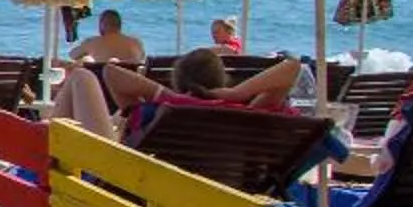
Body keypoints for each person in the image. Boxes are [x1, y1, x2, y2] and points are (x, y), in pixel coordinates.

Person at [51, 47, 309, 142]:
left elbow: (110, 72)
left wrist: (167, 94)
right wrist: (236, 93)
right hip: (218, 196)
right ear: (222, 80)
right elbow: (293, 67)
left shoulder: (166, 109)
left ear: (178, 81)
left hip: (120, 182)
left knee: (81, 77)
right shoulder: (251, 114)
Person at [68, 8, 147, 69]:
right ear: (119, 25)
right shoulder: (136, 42)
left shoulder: (92, 42)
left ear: (103, 25)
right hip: (132, 84)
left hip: (103, 85)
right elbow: (141, 60)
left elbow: (72, 55)